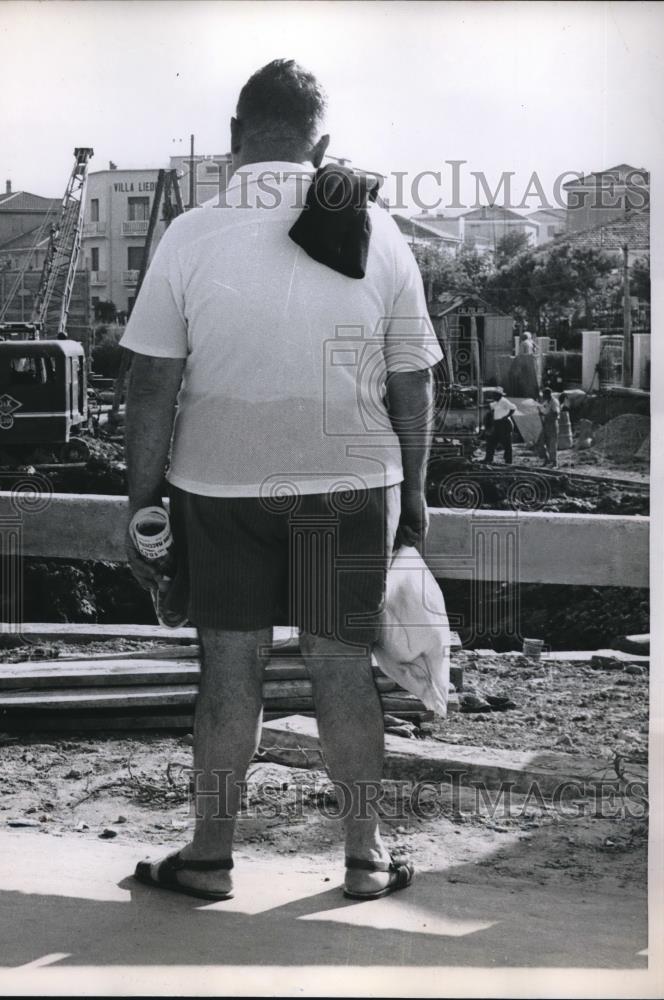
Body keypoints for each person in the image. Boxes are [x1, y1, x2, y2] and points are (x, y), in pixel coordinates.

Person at [120, 60, 442, 902]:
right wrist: (413, 494)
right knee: (343, 669)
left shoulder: (189, 233)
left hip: (218, 490)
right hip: (347, 486)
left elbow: (151, 381)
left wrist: (142, 500)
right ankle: (367, 860)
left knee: (231, 671)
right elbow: (415, 377)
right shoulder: (378, 226)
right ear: (321, 141)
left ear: (234, 140)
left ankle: (208, 859)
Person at [484, 388, 517, 464]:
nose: (493, 396)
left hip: (504, 424)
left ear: (499, 395)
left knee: (506, 443)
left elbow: (513, 408)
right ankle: (488, 458)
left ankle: (508, 461)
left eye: (495, 395)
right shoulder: (496, 402)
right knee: (491, 441)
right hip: (497, 424)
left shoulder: (504, 401)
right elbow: (489, 406)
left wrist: (506, 416)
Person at [537, 387, 561, 467]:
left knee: (552, 444)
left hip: (552, 424)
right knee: (541, 442)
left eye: (544, 395)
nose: (543, 396)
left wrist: (544, 414)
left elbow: (556, 413)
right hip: (546, 423)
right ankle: (546, 459)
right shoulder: (546, 402)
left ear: (548, 394)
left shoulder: (554, 402)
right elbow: (543, 409)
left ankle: (554, 462)